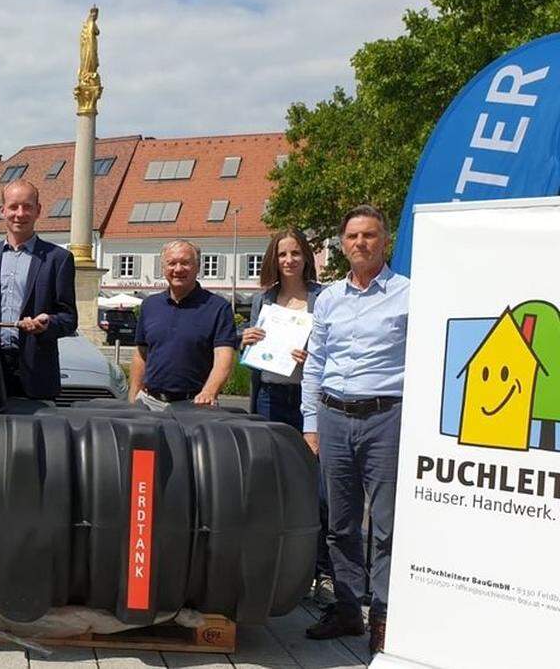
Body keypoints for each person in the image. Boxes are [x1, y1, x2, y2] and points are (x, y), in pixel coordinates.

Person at [301, 205, 409, 655]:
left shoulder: (409, 294)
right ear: (342, 243)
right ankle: (347, 610)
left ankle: (383, 615)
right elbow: (315, 364)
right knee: (341, 523)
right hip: (333, 415)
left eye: (369, 235)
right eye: (352, 236)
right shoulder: (327, 299)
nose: (360, 243)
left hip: (386, 416)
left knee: (386, 524)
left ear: (384, 240)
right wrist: (310, 424)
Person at [239, 229, 332, 603]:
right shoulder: (264, 298)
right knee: (273, 486)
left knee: (318, 488)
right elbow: (248, 347)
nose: (289, 260)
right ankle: (279, 568)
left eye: (295, 253)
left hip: (309, 401)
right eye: (282, 254)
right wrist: (243, 338)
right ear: (272, 259)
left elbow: (334, 349)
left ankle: (322, 571)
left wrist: (313, 361)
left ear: (307, 256)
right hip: (270, 399)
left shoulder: (323, 298)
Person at [0, 180, 76, 399]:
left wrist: (48, 323)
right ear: (2, 210)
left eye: (27, 207)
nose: (20, 213)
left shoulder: (58, 259)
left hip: (37, 371)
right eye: (14, 206)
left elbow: (69, 318)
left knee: (37, 433)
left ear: (38, 211)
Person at [129, 240, 236, 410]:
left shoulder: (218, 308)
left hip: (195, 404)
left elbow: (224, 358)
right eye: (171, 263)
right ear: (163, 268)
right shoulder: (150, 305)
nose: (178, 269)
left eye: (186, 263)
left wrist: (209, 392)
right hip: (149, 403)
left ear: (198, 267)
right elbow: (141, 354)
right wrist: (133, 396)